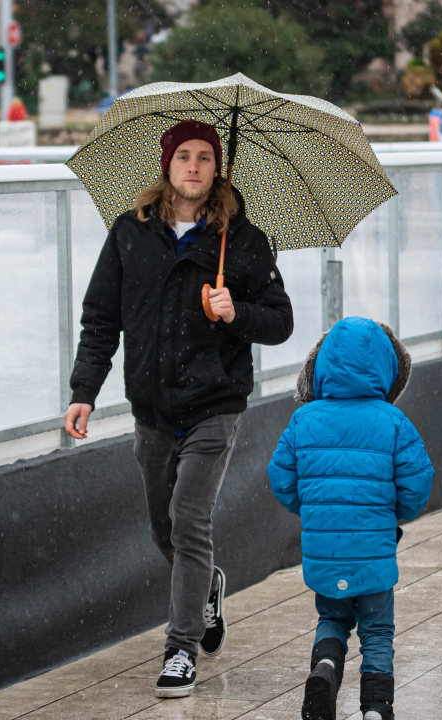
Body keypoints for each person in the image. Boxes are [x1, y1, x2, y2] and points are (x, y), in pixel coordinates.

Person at [64, 119, 294, 698]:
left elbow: (281, 321)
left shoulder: (242, 240)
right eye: (184, 156)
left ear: (219, 170)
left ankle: (180, 649)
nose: (194, 167)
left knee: (190, 522)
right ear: (166, 166)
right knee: (164, 528)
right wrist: (83, 391)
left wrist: (234, 310)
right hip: (152, 409)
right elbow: (100, 319)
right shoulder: (129, 234)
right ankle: (206, 586)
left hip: (215, 405)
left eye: (205, 158)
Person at [268, 317, 434, 720]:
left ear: (322, 364)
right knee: (377, 632)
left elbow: (280, 477)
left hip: (325, 549)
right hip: (375, 550)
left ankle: (324, 669)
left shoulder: (303, 420)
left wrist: (311, 509)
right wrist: (394, 512)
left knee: (332, 617)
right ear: (386, 368)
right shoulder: (394, 422)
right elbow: (418, 482)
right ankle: (376, 709)